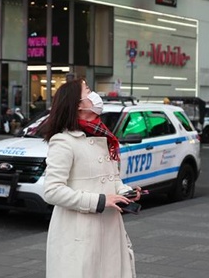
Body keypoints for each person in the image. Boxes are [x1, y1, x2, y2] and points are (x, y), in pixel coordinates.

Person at [43, 79, 139, 278]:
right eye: (89, 90)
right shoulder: (63, 141)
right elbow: (52, 191)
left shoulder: (102, 136)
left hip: (110, 228)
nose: (95, 95)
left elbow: (112, 179)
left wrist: (124, 192)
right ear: (78, 103)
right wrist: (100, 201)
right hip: (80, 234)